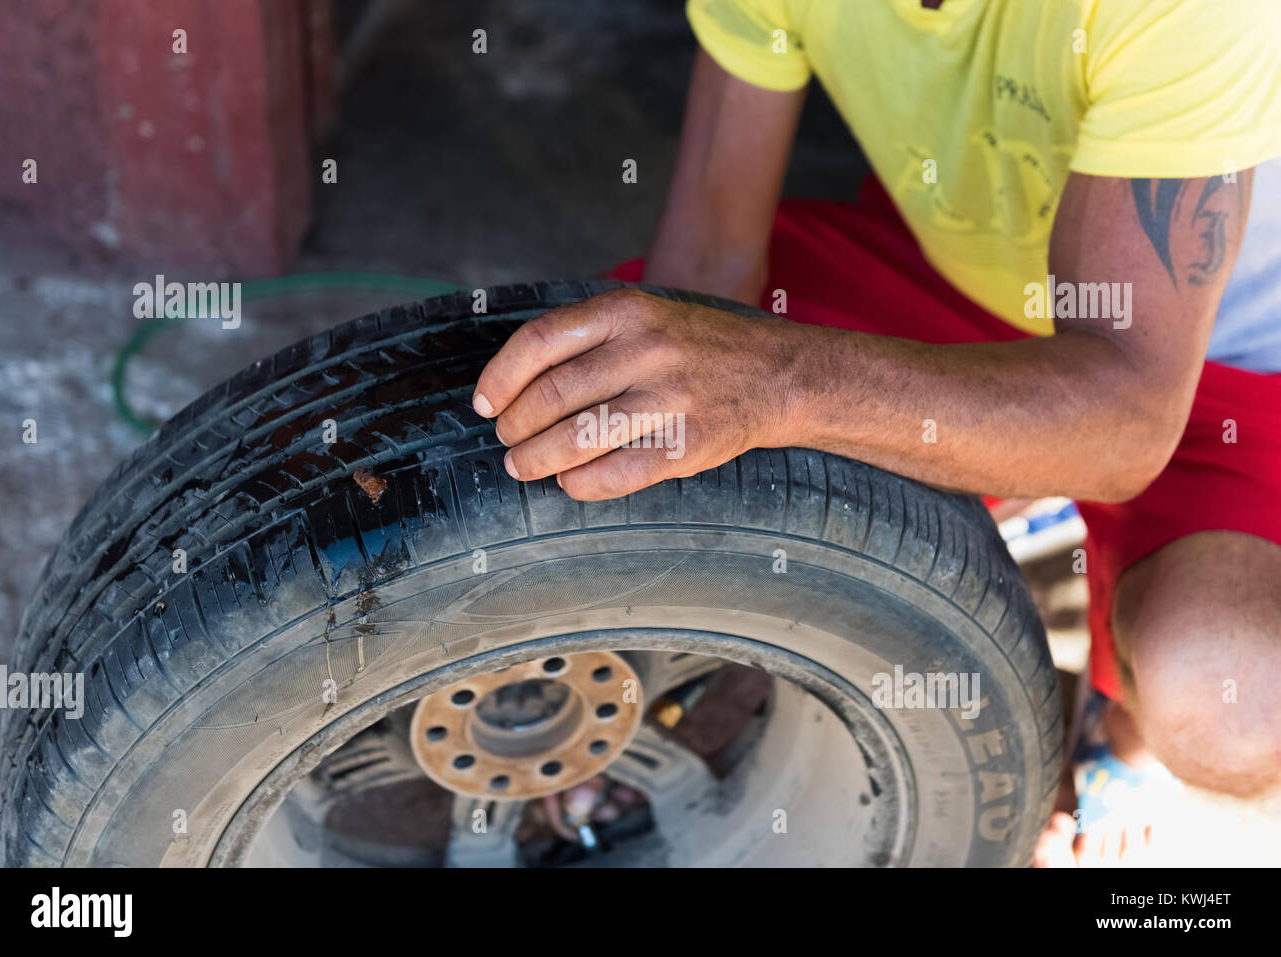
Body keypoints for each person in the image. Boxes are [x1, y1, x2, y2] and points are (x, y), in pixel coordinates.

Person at [471, 0, 1281, 865]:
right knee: (602, 385)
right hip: (959, 274)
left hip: (1196, 366)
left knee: (1230, 702)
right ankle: (987, 506)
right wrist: (623, 655)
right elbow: (708, 269)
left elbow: (1126, 420)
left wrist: (782, 383)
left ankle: (1117, 725)